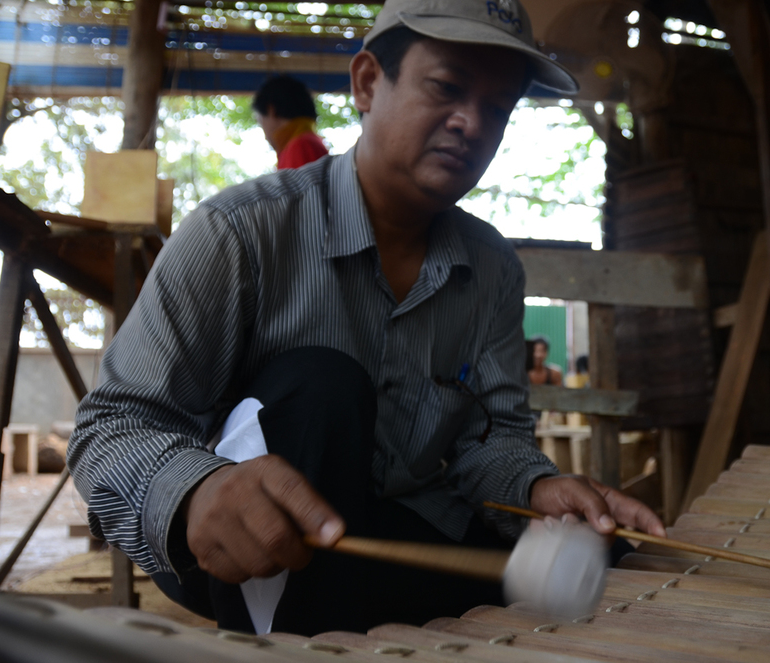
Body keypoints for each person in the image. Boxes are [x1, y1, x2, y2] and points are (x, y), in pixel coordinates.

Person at [68, 0, 664, 637]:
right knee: (321, 384)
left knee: (607, 566)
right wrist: (193, 490)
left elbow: (488, 444)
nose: (471, 123)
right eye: (447, 87)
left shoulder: (492, 268)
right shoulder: (240, 233)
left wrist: (535, 487)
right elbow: (113, 427)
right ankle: (282, 639)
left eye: (498, 108)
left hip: (386, 535)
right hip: (249, 555)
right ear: (367, 82)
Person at [252, 75, 328, 169]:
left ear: (271, 110)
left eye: (260, 122)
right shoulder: (306, 142)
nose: (265, 135)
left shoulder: (301, 146)